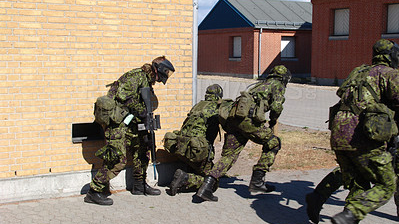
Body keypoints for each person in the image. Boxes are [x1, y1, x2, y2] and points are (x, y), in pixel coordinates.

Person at [329, 39, 399, 224]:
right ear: (390, 56)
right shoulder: (388, 74)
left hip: (339, 135)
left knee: (359, 187)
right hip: (364, 138)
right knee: (387, 185)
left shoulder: (357, 72)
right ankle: (348, 217)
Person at [84, 56, 175, 205]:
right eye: (166, 72)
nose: (165, 76)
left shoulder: (146, 80)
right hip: (118, 123)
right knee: (117, 159)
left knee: (142, 150)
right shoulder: (136, 76)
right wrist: (143, 113)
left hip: (131, 122)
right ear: (158, 69)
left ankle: (139, 185)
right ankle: (94, 191)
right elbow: (124, 98)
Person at [196, 65, 291, 202]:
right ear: (284, 78)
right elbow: (276, 107)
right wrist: (273, 121)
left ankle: (206, 187)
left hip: (235, 121)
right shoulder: (277, 85)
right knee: (274, 143)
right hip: (248, 122)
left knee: (229, 156)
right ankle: (257, 181)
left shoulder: (258, 85)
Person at [163, 84, 224, 196]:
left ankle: (187, 176)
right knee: (212, 182)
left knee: (200, 169)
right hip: (197, 151)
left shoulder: (198, 105)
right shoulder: (216, 108)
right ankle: (185, 178)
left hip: (183, 147)